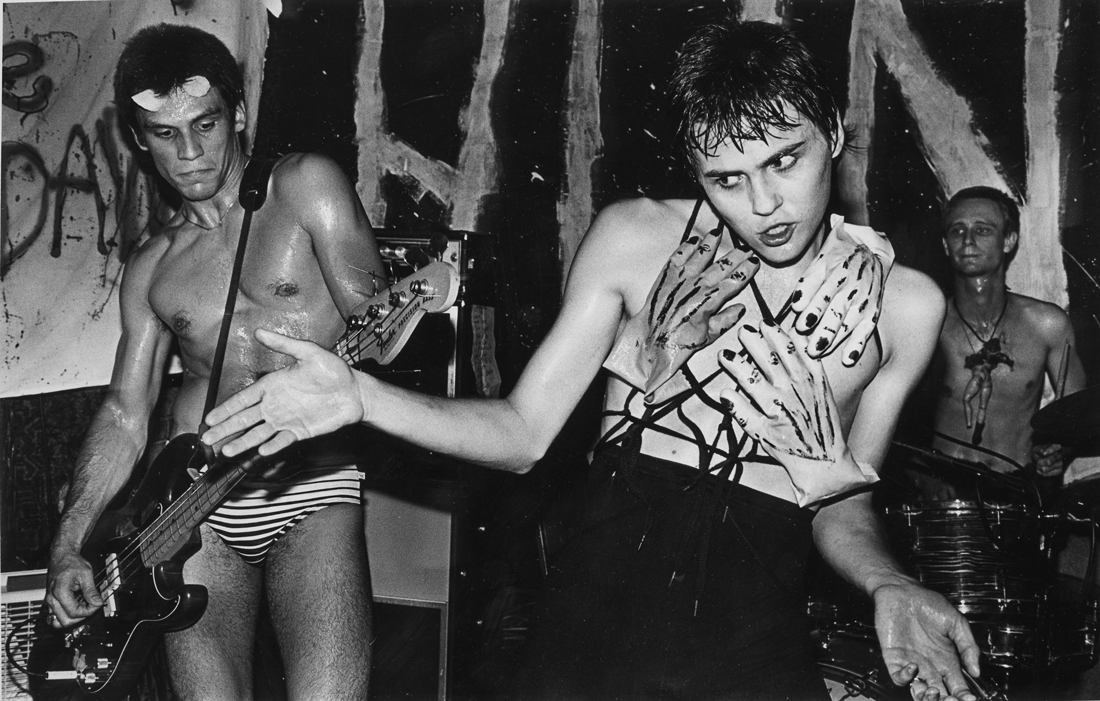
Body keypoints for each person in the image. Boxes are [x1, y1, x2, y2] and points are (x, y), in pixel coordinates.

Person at [203, 18, 981, 701]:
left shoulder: (904, 305)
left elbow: (842, 497)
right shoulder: (636, 239)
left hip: (757, 645)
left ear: (834, 133)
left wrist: (889, 582)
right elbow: (522, 431)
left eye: (785, 160)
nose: (765, 204)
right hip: (591, 634)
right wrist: (361, 396)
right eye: (728, 179)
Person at [44, 24, 385, 701]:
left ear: (238, 114)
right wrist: (67, 545)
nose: (191, 152)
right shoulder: (153, 267)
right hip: (190, 513)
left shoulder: (305, 188)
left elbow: (379, 329)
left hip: (310, 485)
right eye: (165, 133)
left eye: (205, 124)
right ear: (139, 139)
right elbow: (125, 413)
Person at [909, 185, 1086, 502]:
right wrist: (923, 477)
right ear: (945, 245)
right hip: (946, 494)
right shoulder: (926, 325)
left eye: (982, 230)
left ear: (1009, 240)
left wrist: (1058, 453)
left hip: (1020, 490)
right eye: (957, 230)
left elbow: (1078, 415)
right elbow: (892, 425)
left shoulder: (1047, 325)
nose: (967, 240)